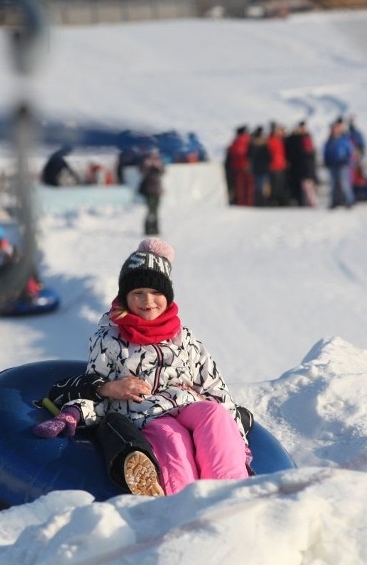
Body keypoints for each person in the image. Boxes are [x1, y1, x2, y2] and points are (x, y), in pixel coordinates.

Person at [33, 238, 252, 496]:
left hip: (186, 404)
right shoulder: (109, 340)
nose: (148, 301)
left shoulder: (185, 339)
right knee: (173, 436)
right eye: (138, 293)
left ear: (168, 297)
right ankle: (184, 504)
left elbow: (218, 391)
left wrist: (240, 442)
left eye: (157, 293)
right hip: (145, 416)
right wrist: (108, 390)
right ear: (125, 297)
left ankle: (235, 494)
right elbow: (93, 386)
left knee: (213, 414)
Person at [323, 118, 355, 209]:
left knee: (344, 184)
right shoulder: (329, 141)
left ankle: (349, 201)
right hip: (332, 164)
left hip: (343, 165)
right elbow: (326, 151)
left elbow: (350, 152)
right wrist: (326, 160)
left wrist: (347, 161)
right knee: (333, 184)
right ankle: (334, 201)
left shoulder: (344, 139)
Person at [138, 149, 165, 235]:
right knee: (150, 210)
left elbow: (163, 173)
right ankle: (147, 229)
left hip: (156, 190)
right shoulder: (145, 163)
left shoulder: (159, 164)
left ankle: (155, 229)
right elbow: (141, 172)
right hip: (148, 190)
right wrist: (147, 166)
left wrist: (159, 166)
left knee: (155, 210)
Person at [225, 125, 252, 206]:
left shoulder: (236, 142)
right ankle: (247, 202)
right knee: (248, 186)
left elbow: (232, 152)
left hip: (237, 167)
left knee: (239, 186)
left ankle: (240, 202)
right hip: (246, 167)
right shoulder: (247, 140)